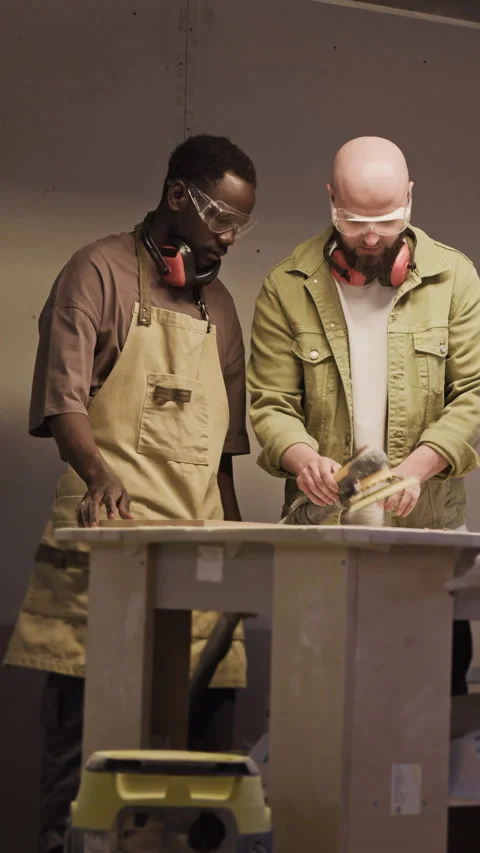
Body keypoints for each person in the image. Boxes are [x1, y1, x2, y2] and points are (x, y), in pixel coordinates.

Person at [4, 134, 257, 853]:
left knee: (208, 794)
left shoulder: (223, 309)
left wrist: (241, 553)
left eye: (242, 226)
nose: (229, 238)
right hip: (107, 565)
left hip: (201, 579)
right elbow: (65, 403)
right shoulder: (98, 273)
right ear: (177, 194)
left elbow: (226, 458)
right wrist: (99, 473)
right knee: (84, 784)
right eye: (219, 217)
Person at [248, 135, 480, 693]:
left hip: (426, 547)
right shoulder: (287, 286)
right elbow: (271, 403)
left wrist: (418, 469)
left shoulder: (455, 279)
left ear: (410, 198)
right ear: (330, 199)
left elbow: (474, 393)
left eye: (388, 219)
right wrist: (303, 459)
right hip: (324, 545)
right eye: (354, 222)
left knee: (425, 721)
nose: (372, 237)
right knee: (317, 712)